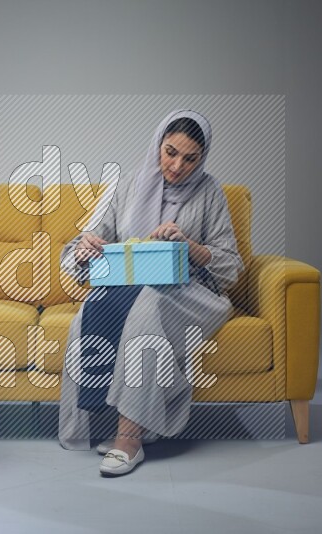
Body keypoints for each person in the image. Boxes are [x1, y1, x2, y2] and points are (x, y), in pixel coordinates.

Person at [58, 109, 245, 476]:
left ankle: (129, 438)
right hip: (131, 284)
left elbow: (231, 266)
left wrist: (189, 244)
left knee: (146, 309)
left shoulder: (210, 192)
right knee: (87, 314)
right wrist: (86, 246)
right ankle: (90, 427)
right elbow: (83, 244)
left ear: (202, 158)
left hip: (191, 290)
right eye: (170, 152)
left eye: (190, 158)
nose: (177, 166)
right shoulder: (128, 185)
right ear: (158, 145)